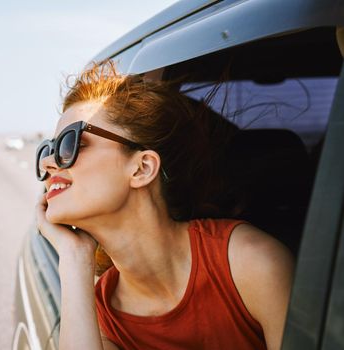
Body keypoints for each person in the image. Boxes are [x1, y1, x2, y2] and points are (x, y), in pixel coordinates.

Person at [35, 61, 294, 350]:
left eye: (70, 145)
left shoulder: (251, 263)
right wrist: (73, 258)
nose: (48, 163)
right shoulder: (101, 312)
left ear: (142, 168)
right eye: (47, 150)